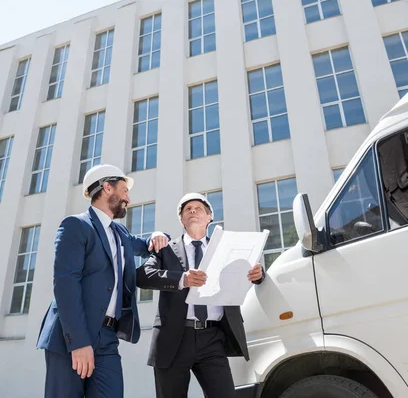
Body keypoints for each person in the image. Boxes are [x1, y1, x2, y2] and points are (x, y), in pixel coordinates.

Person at [36, 164, 169, 398]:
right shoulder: (75, 226)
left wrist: (160, 235)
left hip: (107, 337)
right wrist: (78, 343)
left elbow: (148, 245)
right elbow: (65, 286)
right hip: (71, 334)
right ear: (108, 188)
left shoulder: (121, 234)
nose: (128, 197)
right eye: (124, 190)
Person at [136, 193, 265, 398]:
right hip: (174, 338)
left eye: (199, 208)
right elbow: (143, 276)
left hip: (212, 338)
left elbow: (247, 271)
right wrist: (182, 279)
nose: (193, 211)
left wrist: (258, 275)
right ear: (181, 219)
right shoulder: (166, 249)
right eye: (188, 209)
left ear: (209, 217)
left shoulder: (226, 249)